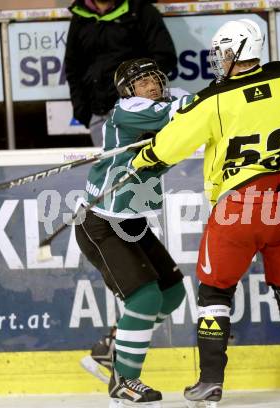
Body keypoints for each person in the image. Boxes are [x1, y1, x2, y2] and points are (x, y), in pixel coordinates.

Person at [131, 19, 280, 408]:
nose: (220, 59)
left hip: (240, 205)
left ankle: (210, 382)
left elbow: (170, 147)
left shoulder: (212, 99)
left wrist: (143, 157)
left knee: (215, 291)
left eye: (224, 52)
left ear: (237, 51)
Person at [74, 58, 192, 407]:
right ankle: (124, 382)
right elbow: (185, 109)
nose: (152, 86)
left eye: (155, 79)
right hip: (101, 223)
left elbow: (189, 116)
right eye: (142, 83)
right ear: (129, 91)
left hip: (130, 221)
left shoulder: (163, 108)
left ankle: (111, 346)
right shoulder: (129, 110)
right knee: (144, 297)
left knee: (171, 293)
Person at [65, 0, 177, 147]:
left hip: (139, 114)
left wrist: (140, 98)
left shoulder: (140, 10)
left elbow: (165, 56)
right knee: (111, 169)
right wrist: (82, 110)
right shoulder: (80, 15)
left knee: (146, 167)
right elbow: (73, 67)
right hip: (98, 116)